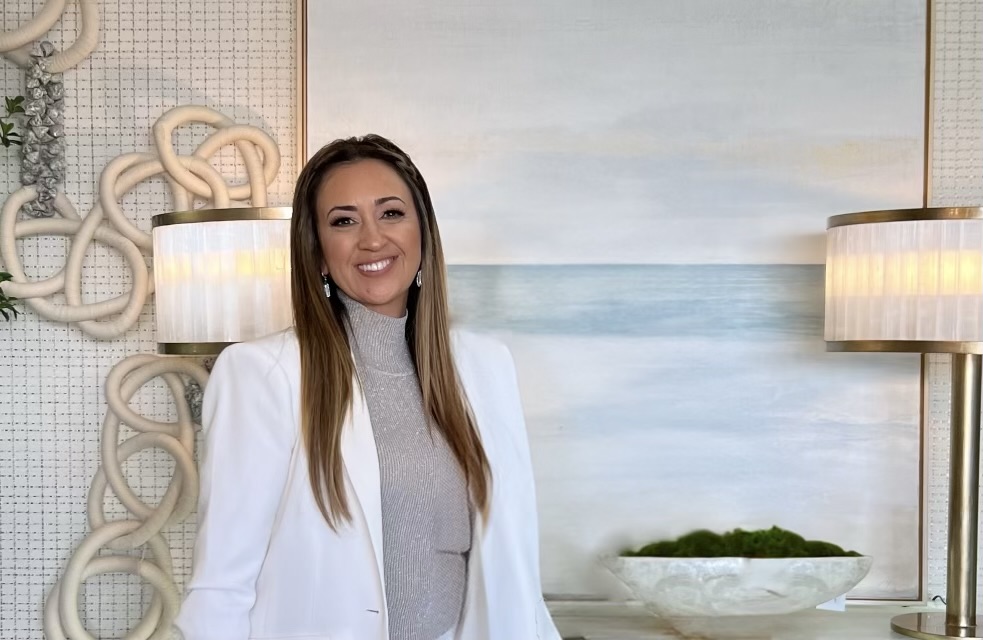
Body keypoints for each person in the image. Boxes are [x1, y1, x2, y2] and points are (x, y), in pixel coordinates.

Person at [174, 134, 562, 640]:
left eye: (391, 213)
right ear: (317, 252)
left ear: (423, 232)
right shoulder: (260, 374)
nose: (373, 239)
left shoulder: (487, 366)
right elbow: (221, 585)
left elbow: (515, 569)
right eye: (344, 221)